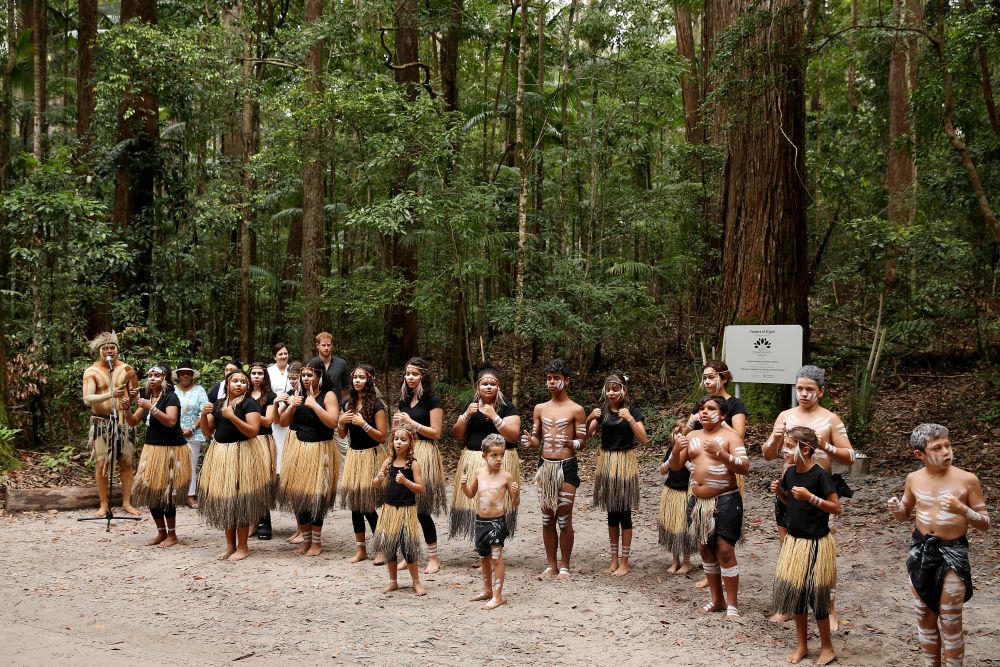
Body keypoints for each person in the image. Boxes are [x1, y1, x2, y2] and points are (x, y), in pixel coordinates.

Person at [887, 424, 989, 667]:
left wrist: (963, 510)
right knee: (925, 618)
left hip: (953, 553)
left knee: (951, 620)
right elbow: (904, 515)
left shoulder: (967, 479)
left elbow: (985, 524)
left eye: (948, 445)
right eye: (937, 448)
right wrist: (896, 509)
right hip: (921, 552)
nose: (946, 451)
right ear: (919, 455)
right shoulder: (913, 479)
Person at [762, 365, 855, 626]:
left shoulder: (830, 420)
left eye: (809, 389)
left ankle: (830, 608)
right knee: (788, 548)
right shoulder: (785, 416)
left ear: (821, 391)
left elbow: (850, 457)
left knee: (823, 553)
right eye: (800, 388)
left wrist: (824, 445)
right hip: (788, 488)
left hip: (819, 489)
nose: (803, 394)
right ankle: (789, 605)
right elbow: (767, 454)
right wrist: (774, 440)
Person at [668, 395, 749, 618]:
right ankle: (717, 600)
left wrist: (721, 453)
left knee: (724, 549)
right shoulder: (692, 436)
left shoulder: (730, 437)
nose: (704, 412)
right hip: (698, 502)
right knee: (704, 548)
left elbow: (744, 467)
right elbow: (676, 467)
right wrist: (676, 450)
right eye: (701, 408)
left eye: (711, 408)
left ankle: (732, 603)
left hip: (725, 498)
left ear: (722, 415)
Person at [771, 426, 841, 665]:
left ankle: (827, 647)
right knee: (797, 597)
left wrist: (811, 497)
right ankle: (802, 645)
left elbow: (836, 507)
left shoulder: (820, 475)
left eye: (789, 446)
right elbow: (792, 504)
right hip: (795, 542)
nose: (784, 450)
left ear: (806, 449)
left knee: (816, 598)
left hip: (816, 544)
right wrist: (780, 494)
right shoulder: (790, 473)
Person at [522, 358, 587, 580]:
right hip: (545, 466)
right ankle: (551, 565)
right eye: (549, 378)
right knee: (547, 518)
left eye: (556, 378)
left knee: (564, 518)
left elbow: (582, 440)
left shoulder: (576, 409)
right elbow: (536, 440)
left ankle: (565, 565)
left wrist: (573, 444)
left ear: (566, 381)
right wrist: (530, 441)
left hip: (566, 466)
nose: (551, 382)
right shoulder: (540, 408)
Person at [198, 368, 268, 561]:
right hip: (221, 454)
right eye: (235, 381)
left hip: (241, 454)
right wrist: (204, 415)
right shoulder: (219, 404)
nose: (239, 384)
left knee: (240, 501)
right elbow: (206, 432)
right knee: (226, 499)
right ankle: (230, 546)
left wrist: (232, 416)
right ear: (227, 384)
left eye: (243, 382)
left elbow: (253, 431)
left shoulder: (250, 404)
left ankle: (243, 547)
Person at [276, 358, 341, 556]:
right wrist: (292, 406)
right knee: (299, 496)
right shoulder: (297, 394)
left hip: (320, 450)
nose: (305, 378)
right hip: (299, 450)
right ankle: (305, 540)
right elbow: (283, 422)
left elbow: (333, 422)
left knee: (316, 497)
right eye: (303, 375)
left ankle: (316, 543)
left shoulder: (328, 395)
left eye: (309, 375)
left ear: (319, 376)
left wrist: (314, 405)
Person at [123, 364, 191, 547]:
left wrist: (151, 407)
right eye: (150, 375)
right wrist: (127, 408)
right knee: (151, 492)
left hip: (171, 450)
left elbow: (171, 421)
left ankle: (172, 535)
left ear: (165, 379)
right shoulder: (147, 397)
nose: (152, 378)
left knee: (165, 494)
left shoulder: (171, 397)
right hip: (152, 449)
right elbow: (133, 421)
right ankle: (161, 533)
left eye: (157, 375)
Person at [586, 373, 647, 576]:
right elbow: (586, 434)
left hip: (625, 463)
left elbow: (644, 439)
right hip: (607, 463)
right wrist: (589, 418)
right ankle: (613, 560)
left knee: (624, 513)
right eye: (609, 389)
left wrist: (629, 418)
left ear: (624, 390)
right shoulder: (602, 411)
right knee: (612, 512)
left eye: (615, 389)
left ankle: (625, 561)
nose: (611, 393)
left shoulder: (633, 411)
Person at [451, 364, 521, 541]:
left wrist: (495, 417)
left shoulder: (507, 407)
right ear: (477, 387)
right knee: (477, 505)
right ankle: (482, 545)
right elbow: (457, 434)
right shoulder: (471, 407)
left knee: (496, 504)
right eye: (484, 384)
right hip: (473, 459)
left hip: (499, 462)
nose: (488, 387)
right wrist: (466, 415)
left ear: (498, 386)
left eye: (493, 384)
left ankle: (495, 544)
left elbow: (513, 436)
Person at [393, 357, 446, 574]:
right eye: (407, 374)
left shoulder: (432, 400)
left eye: (414, 374)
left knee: (422, 509)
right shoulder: (404, 399)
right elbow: (402, 430)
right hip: (406, 453)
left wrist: (412, 423)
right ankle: (409, 555)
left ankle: (433, 557)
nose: (410, 378)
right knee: (406, 508)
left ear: (422, 375)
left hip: (425, 453)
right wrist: (399, 425)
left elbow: (437, 433)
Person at [81, 331, 140, 516]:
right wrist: (110, 394)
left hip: (123, 422)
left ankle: (126, 503)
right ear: (99, 350)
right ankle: (104, 504)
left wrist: (130, 398)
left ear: (117, 349)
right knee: (101, 463)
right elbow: (87, 399)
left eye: (112, 347)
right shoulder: (92, 371)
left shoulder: (126, 369)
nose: (109, 351)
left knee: (127, 462)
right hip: (102, 422)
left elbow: (135, 393)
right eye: (105, 348)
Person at [460, 434, 521, 609]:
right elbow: (470, 494)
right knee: (483, 557)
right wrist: (464, 485)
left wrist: (515, 493)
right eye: (494, 455)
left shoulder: (506, 477)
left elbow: (515, 503)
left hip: (497, 522)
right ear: (484, 455)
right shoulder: (478, 473)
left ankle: (497, 595)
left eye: (501, 455)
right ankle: (487, 590)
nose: (498, 459)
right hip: (480, 522)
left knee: (496, 557)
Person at [337, 364, 388, 563]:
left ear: (369, 380)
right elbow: (342, 434)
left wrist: (364, 424)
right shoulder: (347, 404)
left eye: (362, 377)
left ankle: (381, 549)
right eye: (355, 377)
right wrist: (341, 422)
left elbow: (382, 437)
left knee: (367, 505)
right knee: (355, 505)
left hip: (371, 456)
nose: (357, 380)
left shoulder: (377, 405)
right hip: (354, 456)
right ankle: (361, 549)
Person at [371, 426, 427, 596]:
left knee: (408, 547)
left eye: (403, 439)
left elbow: (420, 488)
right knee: (389, 546)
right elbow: (375, 483)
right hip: (389, 510)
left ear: (410, 443)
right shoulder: (388, 462)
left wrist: (405, 482)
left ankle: (416, 582)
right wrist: (378, 479)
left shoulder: (413, 464)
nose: (399, 442)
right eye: (396, 439)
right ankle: (393, 581)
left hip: (406, 511)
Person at [173, 361, 208, 508]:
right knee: (173, 464)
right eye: (182, 373)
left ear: (192, 375)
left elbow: (204, 411)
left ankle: (190, 494)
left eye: (188, 373)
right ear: (178, 375)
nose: (185, 375)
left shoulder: (199, 390)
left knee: (191, 464)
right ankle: (174, 494)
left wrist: (192, 428)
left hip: (193, 433)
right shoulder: (172, 390)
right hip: (173, 432)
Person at [249, 362, 278, 540]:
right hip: (246, 441)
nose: (256, 376)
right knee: (248, 482)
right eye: (253, 373)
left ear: (264, 376)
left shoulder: (270, 396)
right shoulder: (242, 393)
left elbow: (268, 421)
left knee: (262, 481)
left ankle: (264, 523)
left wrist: (248, 412)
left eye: (260, 373)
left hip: (263, 440)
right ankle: (250, 521)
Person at [658, 442, 694, 575]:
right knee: (673, 526)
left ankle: (686, 562)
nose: (678, 433)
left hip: (686, 493)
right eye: (676, 430)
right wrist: (672, 457)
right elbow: (662, 471)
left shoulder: (693, 449)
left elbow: (697, 471)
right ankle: (675, 561)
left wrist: (682, 461)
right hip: (671, 492)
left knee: (684, 528)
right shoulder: (672, 449)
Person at [267, 343, 291, 474]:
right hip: (274, 407)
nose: (283, 356)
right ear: (274, 357)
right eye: (280, 354)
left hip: (290, 409)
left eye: (285, 353)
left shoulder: (293, 370)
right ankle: (275, 471)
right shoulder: (269, 371)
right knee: (276, 441)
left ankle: (288, 471)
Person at [313, 331, 350, 399]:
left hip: (337, 406)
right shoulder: (312, 364)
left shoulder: (341, 363)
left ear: (332, 345)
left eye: (328, 345)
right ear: (317, 345)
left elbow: (345, 389)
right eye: (323, 345)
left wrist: (343, 406)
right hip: (316, 406)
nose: (326, 348)